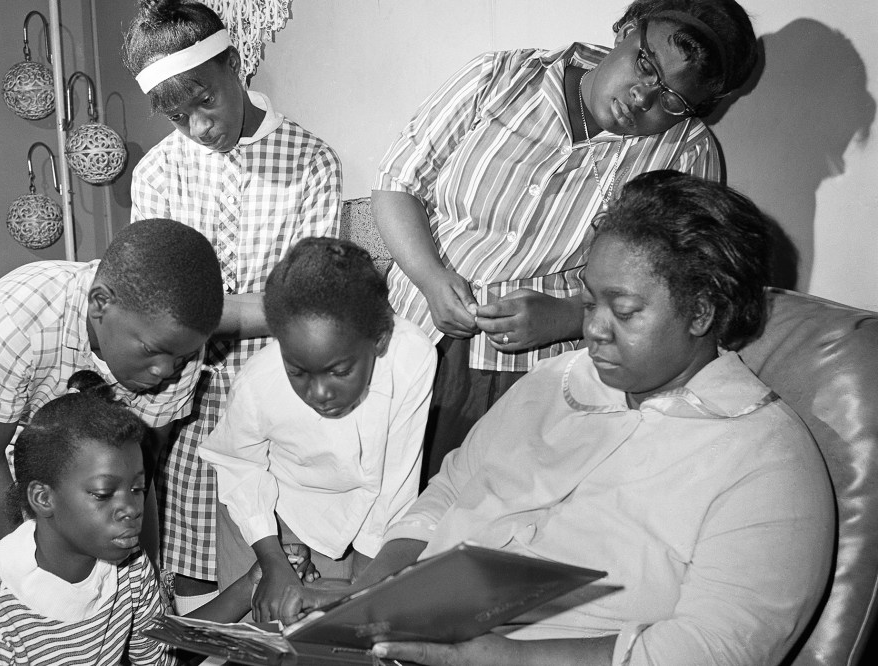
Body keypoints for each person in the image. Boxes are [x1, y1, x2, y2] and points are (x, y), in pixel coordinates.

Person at [280, 171, 836, 666]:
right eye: (589, 302)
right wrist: (369, 598)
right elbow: (449, 491)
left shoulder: (766, 464)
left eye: (622, 311)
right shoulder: (554, 384)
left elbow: (713, 651)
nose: (592, 327)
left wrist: (504, 659)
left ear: (701, 313)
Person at [372, 0, 759, 479]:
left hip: (520, 377)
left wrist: (565, 317)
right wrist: (430, 278)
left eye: (672, 100)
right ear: (626, 30)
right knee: (364, 495)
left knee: (464, 516)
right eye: (646, 64)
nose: (643, 98)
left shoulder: (686, 152)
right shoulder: (499, 78)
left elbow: (673, 295)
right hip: (401, 330)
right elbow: (398, 184)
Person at [122, 0, 343, 611]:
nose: (198, 127)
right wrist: (242, 309)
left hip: (276, 397)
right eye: (176, 116)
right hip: (180, 404)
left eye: (205, 102)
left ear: (236, 65)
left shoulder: (310, 162)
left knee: (273, 575)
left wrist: (196, 312)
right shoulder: (158, 173)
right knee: (186, 575)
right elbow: (148, 307)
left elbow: (307, 306)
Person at [198, 237, 436, 622]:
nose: (320, 393)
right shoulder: (259, 383)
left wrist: (365, 579)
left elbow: (397, 481)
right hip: (267, 518)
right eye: (298, 372)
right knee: (259, 643)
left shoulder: (411, 357)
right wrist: (272, 561)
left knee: (338, 637)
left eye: (340, 371)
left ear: (378, 341)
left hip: (364, 523)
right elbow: (238, 466)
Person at [0, 218, 223, 547]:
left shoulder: (181, 350)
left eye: (180, 358)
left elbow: (138, 474)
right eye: (152, 351)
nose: (164, 372)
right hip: (11, 431)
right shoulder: (16, 320)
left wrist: (140, 571)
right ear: (100, 304)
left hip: (100, 443)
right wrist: (30, 568)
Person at [0, 372, 170, 665]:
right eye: (104, 493)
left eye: (137, 489)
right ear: (44, 498)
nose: (132, 508)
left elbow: (155, 658)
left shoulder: (131, 566)